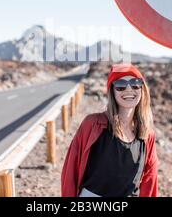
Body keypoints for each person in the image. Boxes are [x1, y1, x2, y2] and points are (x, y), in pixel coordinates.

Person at [61, 63, 158, 197]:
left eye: (135, 83)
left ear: (142, 89)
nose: (129, 89)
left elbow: (149, 180)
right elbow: (71, 170)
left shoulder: (147, 135)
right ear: (112, 91)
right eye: (121, 85)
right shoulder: (93, 124)